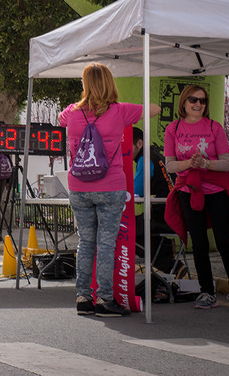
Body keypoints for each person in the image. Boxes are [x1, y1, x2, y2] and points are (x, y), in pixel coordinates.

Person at [60, 62, 159, 318]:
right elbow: (155, 109)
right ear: (109, 83)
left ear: (85, 85)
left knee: (85, 242)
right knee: (105, 243)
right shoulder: (121, 111)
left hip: (79, 186)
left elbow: (59, 119)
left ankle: (83, 297)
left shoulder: (71, 112)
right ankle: (105, 299)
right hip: (110, 186)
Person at [164, 85, 229, 311]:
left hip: (216, 191)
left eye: (202, 101)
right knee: (199, 243)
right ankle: (206, 292)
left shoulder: (215, 127)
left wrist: (206, 164)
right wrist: (189, 164)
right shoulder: (172, 129)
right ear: (183, 102)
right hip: (188, 190)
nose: (198, 104)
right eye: (193, 99)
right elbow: (170, 164)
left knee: (223, 241)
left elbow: (227, 163)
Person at [132, 132, 176, 274]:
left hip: (163, 215)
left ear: (139, 144)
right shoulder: (157, 155)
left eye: (127, 146)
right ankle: (170, 265)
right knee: (141, 228)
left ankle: (168, 265)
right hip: (172, 213)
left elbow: (136, 191)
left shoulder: (145, 159)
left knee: (125, 227)